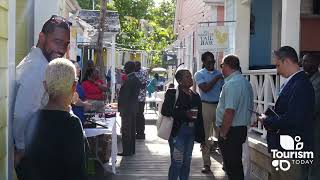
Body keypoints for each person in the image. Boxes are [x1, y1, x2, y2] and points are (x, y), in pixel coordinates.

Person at [13, 15, 70, 175]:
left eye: (65, 44)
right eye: (57, 41)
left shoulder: (33, 61)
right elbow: (21, 115)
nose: (61, 50)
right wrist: (22, 150)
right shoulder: (39, 69)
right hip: (33, 158)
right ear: (42, 37)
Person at [24, 58, 86, 180]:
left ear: (45, 85)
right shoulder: (72, 124)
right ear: (74, 86)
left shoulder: (32, 119)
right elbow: (77, 171)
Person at [259, 46, 315, 180]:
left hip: (291, 149)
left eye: (278, 65)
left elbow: (293, 119)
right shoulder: (294, 81)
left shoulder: (301, 84)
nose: (277, 71)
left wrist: (267, 120)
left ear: (287, 62)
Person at [161, 69, 205, 180]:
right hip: (178, 132)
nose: (191, 79)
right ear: (180, 81)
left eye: (191, 76)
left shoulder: (195, 96)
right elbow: (165, 111)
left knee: (187, 162)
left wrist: (202, 137)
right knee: (177, 162)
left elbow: (199, 117)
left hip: (191, 132)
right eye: (187, 77)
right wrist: (185, 114)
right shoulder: (172, 93)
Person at [216, 54, 253, 180]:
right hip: (239, 129)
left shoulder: (232, 84)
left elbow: (230, 111)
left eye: (221, 66)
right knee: (235, 166)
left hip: (231, 130)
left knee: (232, 168)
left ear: (226, 66)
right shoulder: (245, 82)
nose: (221, 69)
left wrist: (223, 133)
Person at [194, 51, 224, 173]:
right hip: (205, 105)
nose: (211, 63)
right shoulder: (199, 74)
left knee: (222, 135)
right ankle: (206, 163)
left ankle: (225, 162)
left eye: (213, 61)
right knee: (205, 136)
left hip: (219, 105)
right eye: (209, 61)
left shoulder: (220, 73)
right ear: (204, 62)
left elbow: (224, 88)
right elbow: (205, 89)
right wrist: (216, 78)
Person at [118, 61, 142, 156]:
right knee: (132, 130)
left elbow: (125, 96)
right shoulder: (135, 79)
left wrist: (121, 108)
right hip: (133, 107)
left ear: (128, 68)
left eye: (125, 68)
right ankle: (131, 150)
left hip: (127, 109)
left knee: (127, 130)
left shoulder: (129, 80)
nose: (124, 70)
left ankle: (127, 151)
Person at [302, 54, 320, 180]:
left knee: (314, 164)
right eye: (303, 61)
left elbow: (313, 106)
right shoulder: (305, 78)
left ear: (315, 63)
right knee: (304, 162)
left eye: (307, 61)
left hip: (315, 130)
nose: (303, 63)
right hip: (305, 130)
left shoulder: (318, 81)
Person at [134, 61, 148, 139]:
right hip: (133, 98)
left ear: (139, 66)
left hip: (140, 98)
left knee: (140, 115)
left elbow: (143, 85)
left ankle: (141, 133)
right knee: (134, 116)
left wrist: (135, 85)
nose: (135, 68)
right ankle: (135, 131)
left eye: (136, 67)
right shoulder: (133, 72)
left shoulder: (143, 72)